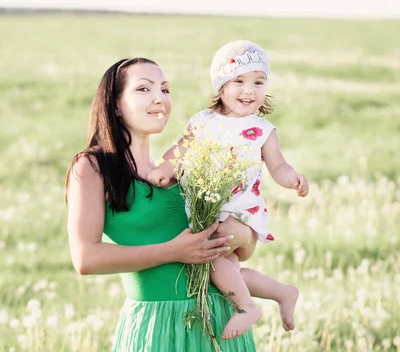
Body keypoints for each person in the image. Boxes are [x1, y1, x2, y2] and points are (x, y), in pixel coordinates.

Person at [66, 57, 258, 351]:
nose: (160, 99)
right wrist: (174, 252)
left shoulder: (183, 168)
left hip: (222, 320)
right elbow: (85, 259)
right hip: (159, 325)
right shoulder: (93, 167)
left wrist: (242, 234)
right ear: (115, 104)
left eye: (165, 90)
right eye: (144, 89)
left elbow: (243, 251)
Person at [148, 41, 308, 340]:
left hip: (240, 213)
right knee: (222, 271)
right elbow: (179, 151)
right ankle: (282, 292)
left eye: (258, 82)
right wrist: (164, 170)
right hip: (206, 211)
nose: (249, 91)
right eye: (239, 81)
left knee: (212, 249)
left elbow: (278, 166)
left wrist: (293, 178)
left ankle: (247, 307)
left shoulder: (262, 129)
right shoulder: (202, 122)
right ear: (220, 86)